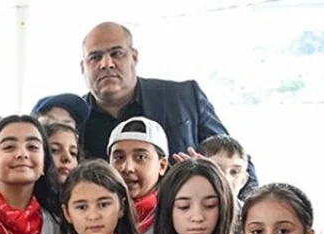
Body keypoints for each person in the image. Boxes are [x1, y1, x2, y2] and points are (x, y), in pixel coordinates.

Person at [78, 21, 254, 186]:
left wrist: (246, 205)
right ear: (82, 67)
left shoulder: (183, 97)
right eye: (95, 57)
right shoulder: (74, 121)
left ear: (134, 57)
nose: (106, 64)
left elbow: (236, 159)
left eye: (116, 53)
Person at [108, 117, 168, 234]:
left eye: (140, 157)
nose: (127, 168)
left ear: (162, 166)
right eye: (118, 158)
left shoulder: (175, 215)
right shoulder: (96, 213)